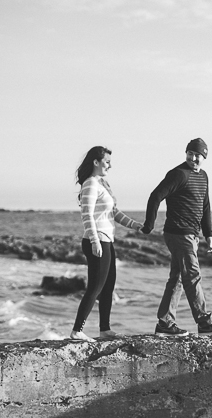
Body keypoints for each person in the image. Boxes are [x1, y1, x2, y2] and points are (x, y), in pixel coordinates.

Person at [142, 138, 212, 336]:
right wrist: (149, 224)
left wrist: (209, 233)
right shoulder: (178, 174)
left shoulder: (203, 176)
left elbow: (205, 204)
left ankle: (164, 324)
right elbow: (155, 196)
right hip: (178, 233)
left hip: (192, 234)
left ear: (204, 156)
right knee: (192, 275)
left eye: (197, 155)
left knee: (178, 278)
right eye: (190, 153)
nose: (193, 158)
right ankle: (204, 323)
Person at [69, 146, 143, 342]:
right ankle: (77, 330)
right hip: (97, 240)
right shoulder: (90, 184)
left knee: (108, 287)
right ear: (96, 162)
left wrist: (135, 225)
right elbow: (86, 215)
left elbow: (114, 213)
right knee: (95, 287)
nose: (110, 165)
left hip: (107, 240)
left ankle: (105, 329)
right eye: (107, 161)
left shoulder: (102, 184)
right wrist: (94, 241)